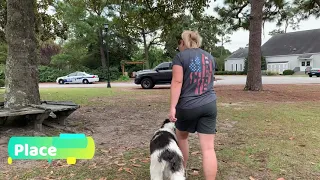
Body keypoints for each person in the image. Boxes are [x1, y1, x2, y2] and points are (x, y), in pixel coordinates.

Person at [168, 30, 218, 180]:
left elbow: (177, 82)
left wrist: (172, 107)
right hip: (209, 104)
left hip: (187, 106)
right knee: (208, 149)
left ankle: (181, 175)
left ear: (183, 42)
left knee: (182, 138)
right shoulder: (210, 57)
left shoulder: (180, 57)